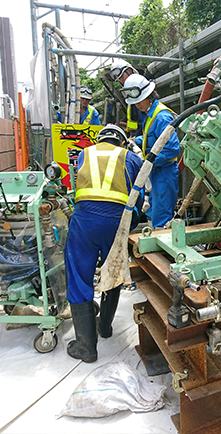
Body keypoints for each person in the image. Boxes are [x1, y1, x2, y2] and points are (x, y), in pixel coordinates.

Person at [64, 124, 143, 363]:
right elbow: (139, 191)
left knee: (79, 276)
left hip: (84, 219)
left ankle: (86, 347)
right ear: (121, 141)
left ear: (100, 140)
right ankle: (105, 327)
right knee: (113, 270)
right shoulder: (130, 156)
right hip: (116, 223)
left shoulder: (83, 154)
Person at [122, 74, 179, 229]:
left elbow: (172, 149)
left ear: (148, 95)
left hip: (164, 173)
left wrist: (148, 163)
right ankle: (154, 239)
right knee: (153, 210)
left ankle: (162, 247)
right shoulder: (149, 114)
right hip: (156, 172)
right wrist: (135, 141)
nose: (137, 105)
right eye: (134, 103)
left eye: (139, 100)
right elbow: (153, 138)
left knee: (161, 215)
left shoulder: (161, 116)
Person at [108, 60, 140, 134]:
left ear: (129, 71)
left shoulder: (139, 90)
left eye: (122, 76)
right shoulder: (130, 92)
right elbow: (132, 115)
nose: (121, 80)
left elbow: (143, 118)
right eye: (119, 79)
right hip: (136, 135)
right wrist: (119, 123)